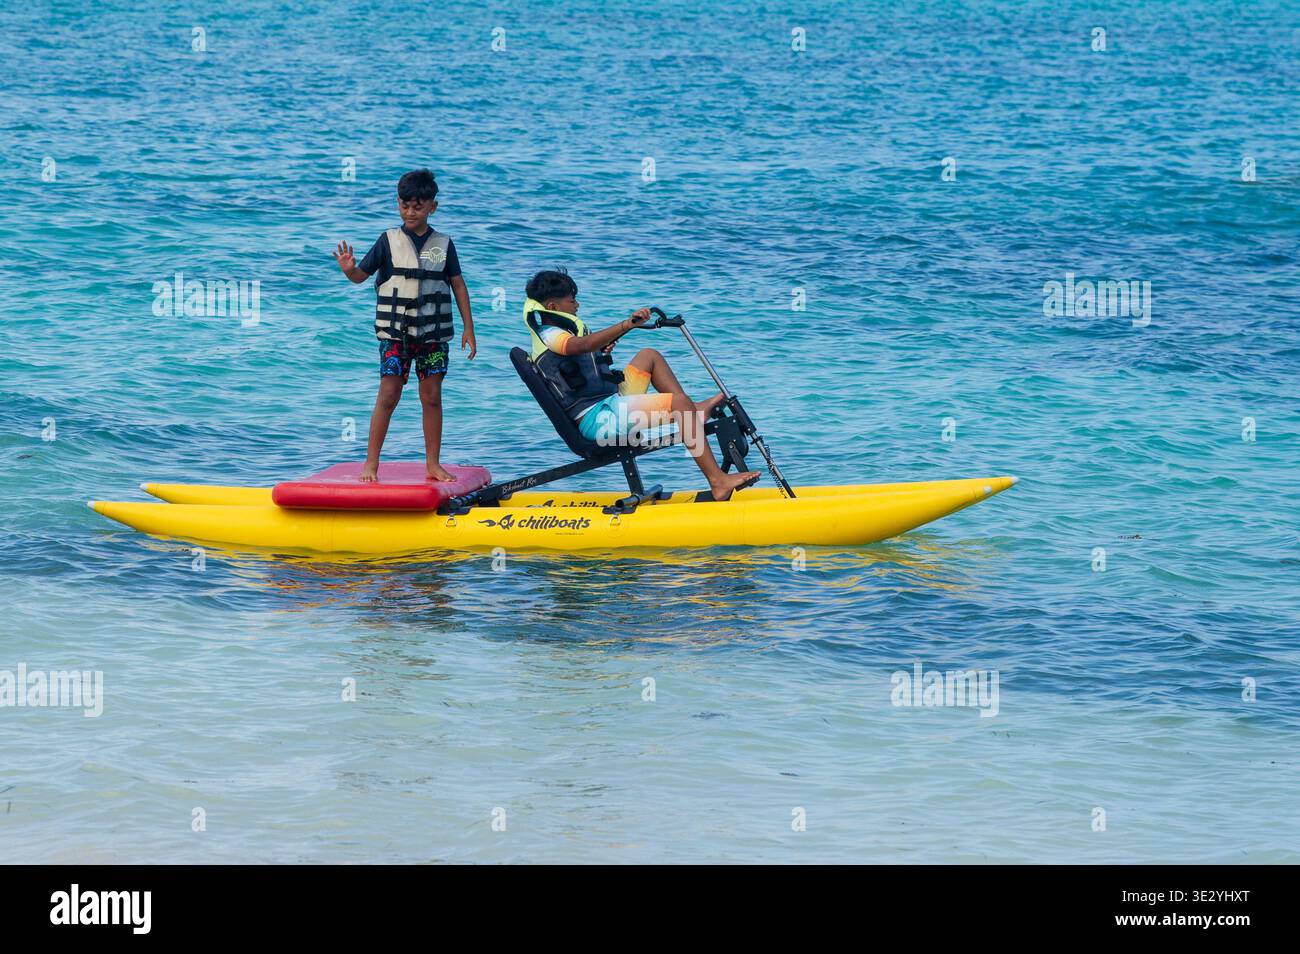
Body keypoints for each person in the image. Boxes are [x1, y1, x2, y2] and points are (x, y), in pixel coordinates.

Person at [523, 269, 759, 501]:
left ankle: (690, 415)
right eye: (572, 300)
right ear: (553, 306)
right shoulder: (549, 332)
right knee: (678, 403)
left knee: (649, 356)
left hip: (610, 403)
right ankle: (717, 481)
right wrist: (626, 325)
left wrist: (607, 344)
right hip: (597, 420)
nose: (577, 305)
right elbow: (580, 346)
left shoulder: (561, 329)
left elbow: (583, 352)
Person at [333, 169, 476, 481]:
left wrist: (469, 328)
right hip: (396, 334)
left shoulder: (443, 244)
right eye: (405, 206)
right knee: (388, 396)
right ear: (398, 204)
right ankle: (371, 464)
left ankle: (433, 464)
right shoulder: (388, 241)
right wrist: (348, 269)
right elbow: (361, 277)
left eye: (418, 207)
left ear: (432, 207)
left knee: (433, 397)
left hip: (433, 336)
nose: (411, 212)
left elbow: (458, 285)